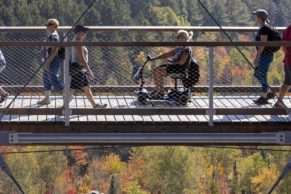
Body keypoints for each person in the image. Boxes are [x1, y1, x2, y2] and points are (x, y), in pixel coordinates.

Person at [67, 25, 106, 108]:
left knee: (87, 88)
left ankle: (95, 105)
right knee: (73, 88)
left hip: (80, 68)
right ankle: (64, 106)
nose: (85, 33)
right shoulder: (78, 42)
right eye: (83, 31)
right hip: (78, 68)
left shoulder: (78, 41)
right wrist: (89, 71)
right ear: (78, 33)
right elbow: (82, 59)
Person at [149, 30, 193, 99]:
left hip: (180, 68)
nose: (177, 38)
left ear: (184, 38)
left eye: (178, 37)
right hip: (173, 66)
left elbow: (182, 62)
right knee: (155, 70)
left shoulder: (186, 49)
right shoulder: (179, 47)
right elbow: (167, 54)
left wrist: (171, 62)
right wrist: (154, 58)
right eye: (177, 37)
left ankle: (160, 92)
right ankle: (159, 90)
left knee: (158, 71)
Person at [38, 19, 64, 105]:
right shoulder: (51, 35)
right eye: (47, 25)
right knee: (46, 78)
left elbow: (55, 49)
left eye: (49, 25)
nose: (47, 26)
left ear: (54, 27)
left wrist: (48, 61)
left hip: (52, 60)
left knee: (53, 78)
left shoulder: (54, 36)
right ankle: (47, 98)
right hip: (48, 60)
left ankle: (66, 93)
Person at [252, 9, 276, 105]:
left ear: (260, 18)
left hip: (265, 56)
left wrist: (256, 57)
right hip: (266, 55)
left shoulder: (264, 29)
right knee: (258, 74)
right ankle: (268, 92)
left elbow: (262, 44)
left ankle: (264, 96)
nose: (255, 18)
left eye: (256, 16)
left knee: (261, 74)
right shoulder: (264, 28)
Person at [274, 24, 291, 108]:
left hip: (288, 60)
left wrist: (287, 54)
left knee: (286, 83)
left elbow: (283, 46)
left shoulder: (287, 29)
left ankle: (278, 102)